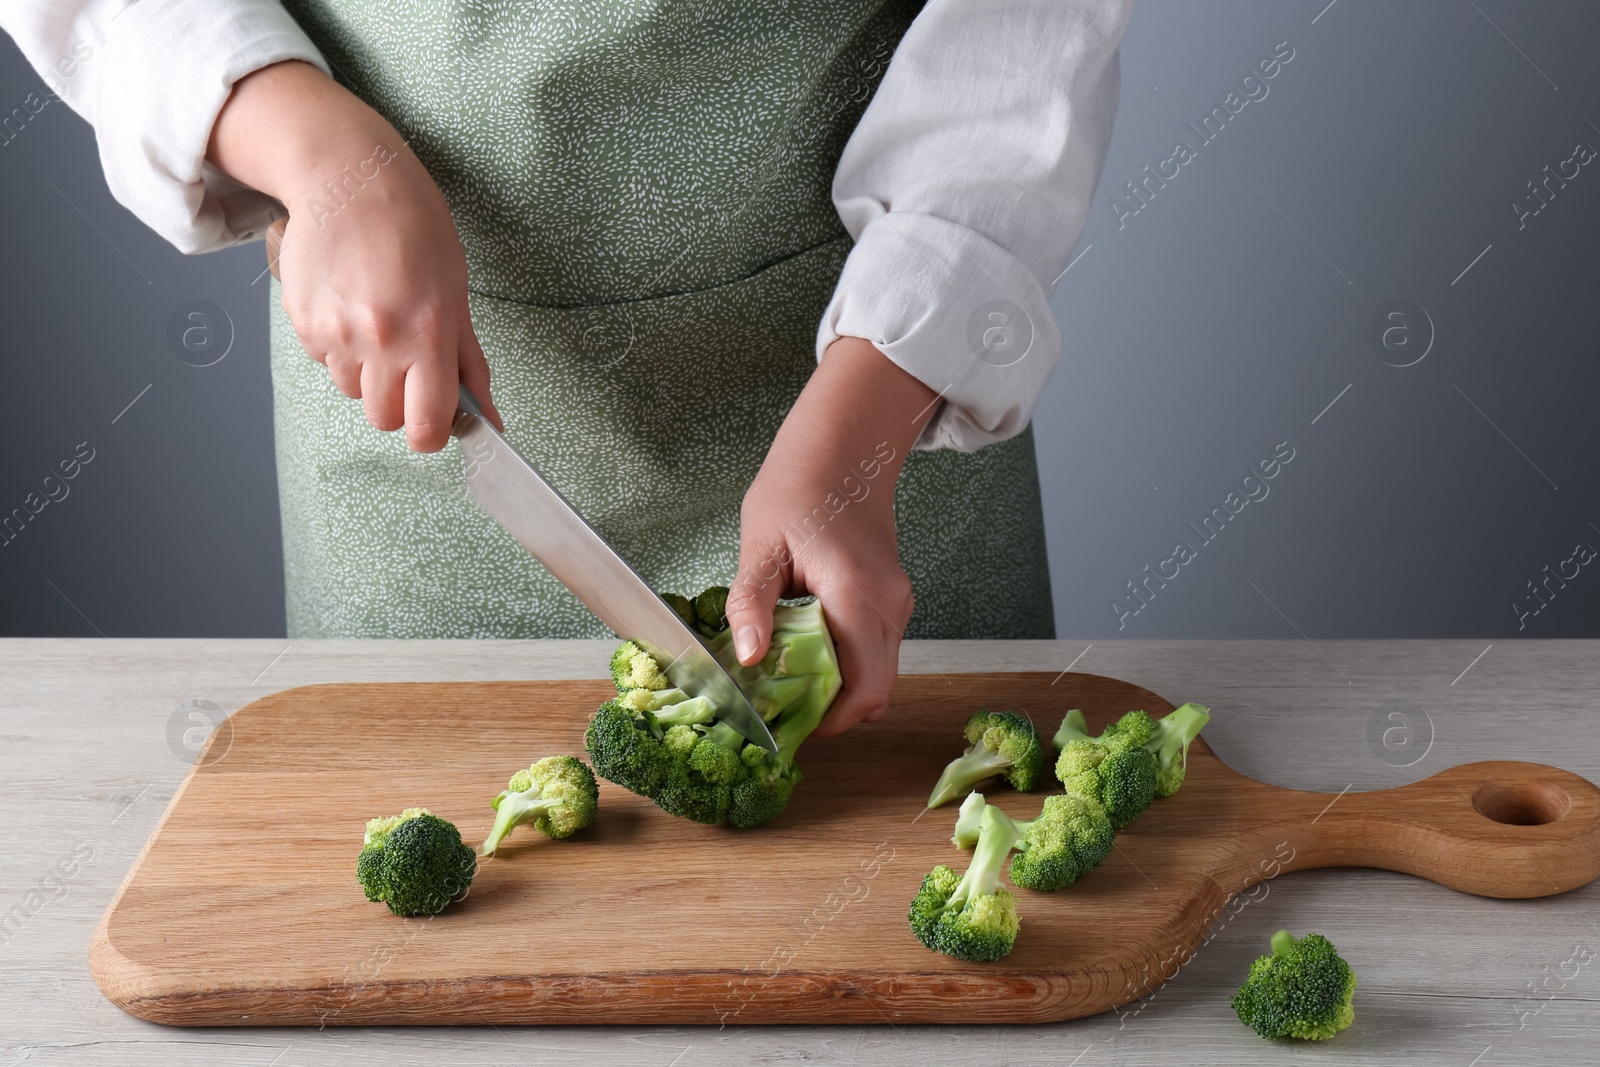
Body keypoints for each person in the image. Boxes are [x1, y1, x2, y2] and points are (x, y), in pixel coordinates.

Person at [3, 0, 1128, 736]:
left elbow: (1025, 37)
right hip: (412, 474)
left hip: (885, 420)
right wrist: (316, 150)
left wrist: (864, 422)